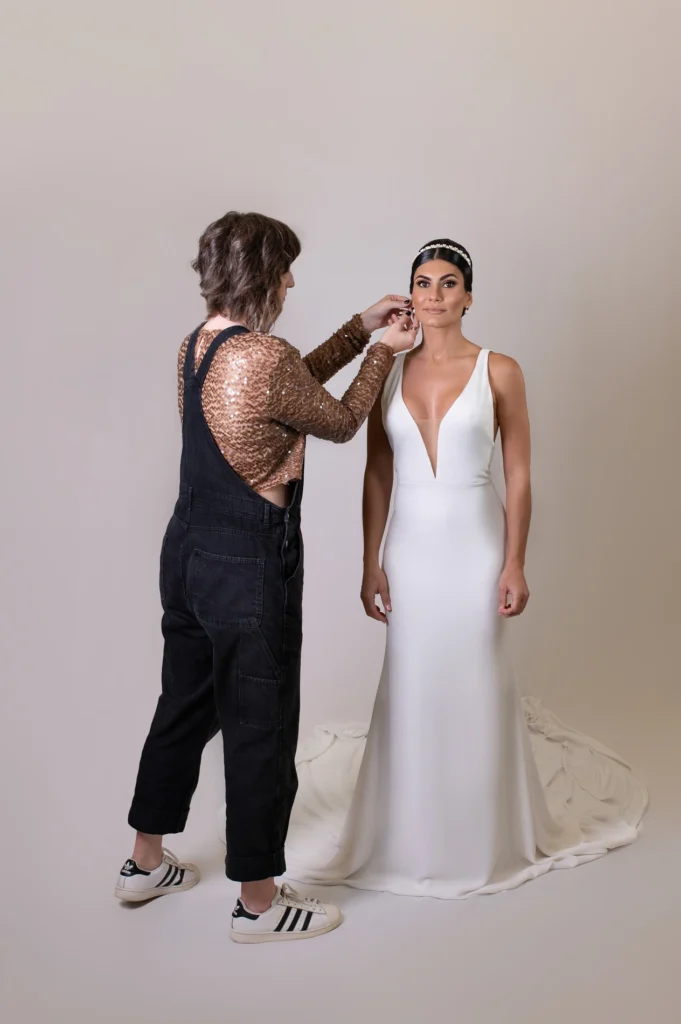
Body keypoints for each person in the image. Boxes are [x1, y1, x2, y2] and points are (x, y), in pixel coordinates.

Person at [284, 238, 648, 898]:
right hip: (410, 548)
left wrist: (514, 560)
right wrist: (370, 561)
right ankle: (408, 835)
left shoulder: (499, 369)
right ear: (409, 295)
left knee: (475, 677)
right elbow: (376, 474)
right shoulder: (386, 369)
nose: (433, 294)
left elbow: (518, 474)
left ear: (467, 296)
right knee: (412, 680)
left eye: (447, 283)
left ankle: (482, 837)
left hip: (473, 542)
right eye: (422, 283)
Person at [115, 211, 418, 942]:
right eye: (284, 269)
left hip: (187, 552)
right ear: (261, 275)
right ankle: (257, 902)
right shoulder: (265, 356)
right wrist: (382, 352)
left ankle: (144, 863)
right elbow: (339, 420)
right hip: (248, 561)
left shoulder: (198, 347)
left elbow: (285, 392)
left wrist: (356, 327)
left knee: (182, 704)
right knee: (261, 722)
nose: (289, 282)